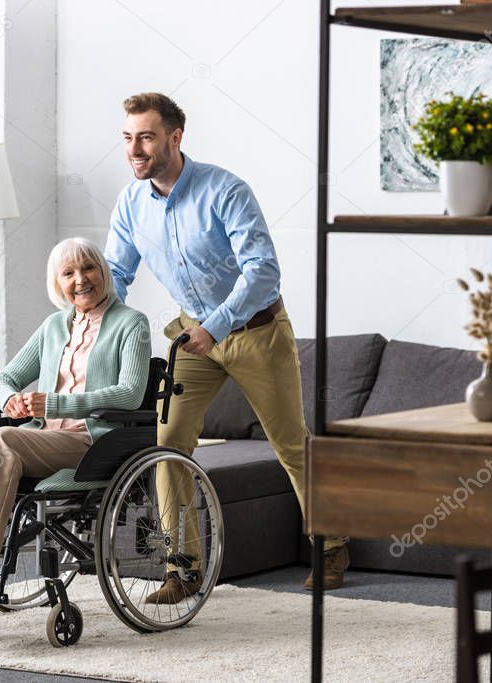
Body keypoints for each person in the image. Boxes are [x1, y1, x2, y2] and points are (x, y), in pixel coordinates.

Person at [105, 92, 348, 600]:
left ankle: (331, 545)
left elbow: (263, 271)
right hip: (194, 338)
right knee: (167, 444)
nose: (135, 149)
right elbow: (118, 275)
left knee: (290, 443)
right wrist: (98, 328)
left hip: (257, 332)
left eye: (146, 137)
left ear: (175, 137)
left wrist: (217, 326)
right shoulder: (130, 203)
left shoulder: (224, 190)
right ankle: (184, 568)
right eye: (128, 138)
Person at [0, 237, 150, 608]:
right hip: (44, 438)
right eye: (68, 273)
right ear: (58, 283)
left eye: (88, 268)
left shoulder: (131, 324)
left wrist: (55, 403)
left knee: (2, 438)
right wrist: (11, 400)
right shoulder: (54, 326)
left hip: (91, 442)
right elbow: (3, 379)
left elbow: (129, 393)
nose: (80, 279)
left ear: (103, 271)